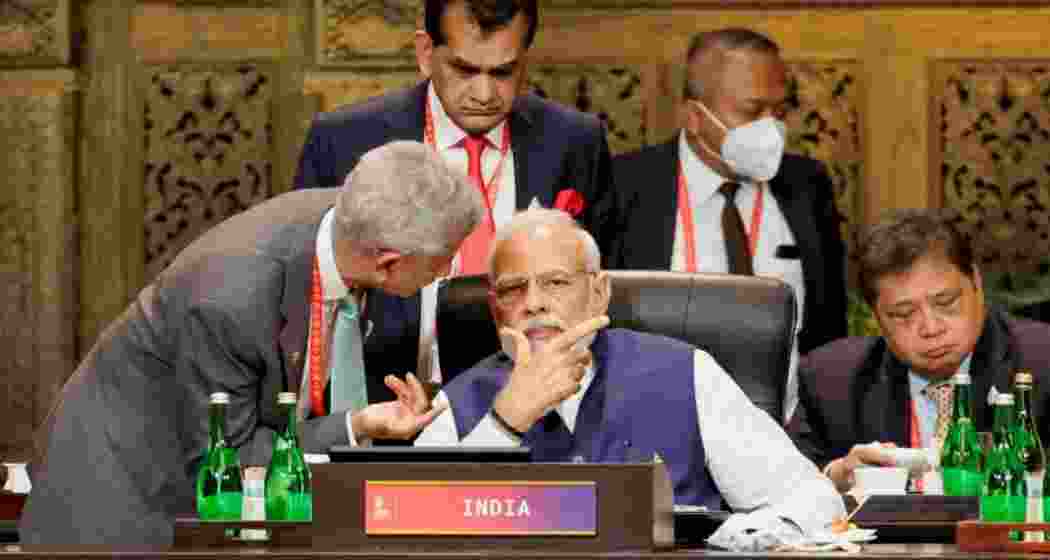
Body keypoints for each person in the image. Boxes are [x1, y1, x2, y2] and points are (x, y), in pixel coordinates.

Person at [20, 141, 484, 545]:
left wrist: (359, 423)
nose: (446, 273)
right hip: (121, 501)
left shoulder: (348, 225)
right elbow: (233, 460)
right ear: (388, 263)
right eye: (442, 261)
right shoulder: (230, 298)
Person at [415, 208, 844, 550]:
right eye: (514, 289)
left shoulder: (684, 373)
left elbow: (815, 502)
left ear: (599, 292)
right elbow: (411, 527)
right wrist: (504, 423)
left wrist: (732, 537)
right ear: (496, 310)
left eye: (556, 282)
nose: (534, 303)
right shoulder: (459, 403)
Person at [294, 0, 614, 383]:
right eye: (464, 69)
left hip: (536, 398)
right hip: (388, 403)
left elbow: (598, 293)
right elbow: (310, 289)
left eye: (503, 72)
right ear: (426, 53)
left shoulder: (575, 143)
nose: (483, 93)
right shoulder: (343, 140)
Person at [608, 28, 847, 422]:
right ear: (694, 117)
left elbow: (829, 327)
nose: (770, 128)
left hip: (786, 430)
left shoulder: (807, 185)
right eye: (752, 112)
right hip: (661, 418)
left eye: (779, 111)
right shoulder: (625, 187)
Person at [789, 209, 1050, 492]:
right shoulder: (831, 381)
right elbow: (781, 488)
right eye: (903, 314)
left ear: (975, 282)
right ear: (876, 317)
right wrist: (836, 477)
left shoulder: (1042, 360)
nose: (930, 327)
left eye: (946, 302)